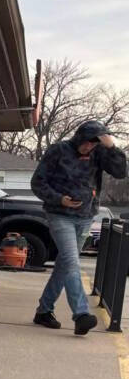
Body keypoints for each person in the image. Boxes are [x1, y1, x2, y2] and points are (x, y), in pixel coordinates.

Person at [31, 120, 127, 334]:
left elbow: (121, 172)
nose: (88, 147)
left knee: (64, 265)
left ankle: (44, 311)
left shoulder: (100, 153)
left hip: (85, 217)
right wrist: (59, 199)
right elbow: (37, 182)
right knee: (72, 262)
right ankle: (81, 314)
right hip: (59, 215)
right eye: (86, 143)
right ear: (79, 137)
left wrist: (111, 147)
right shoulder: (58, 151)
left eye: (94, 144)